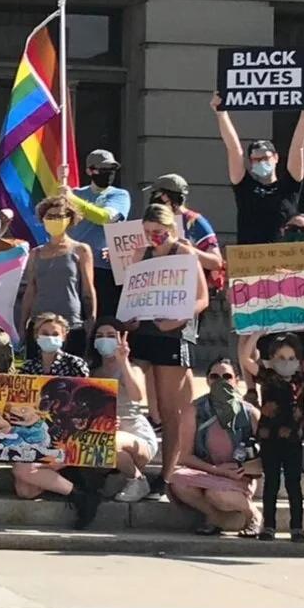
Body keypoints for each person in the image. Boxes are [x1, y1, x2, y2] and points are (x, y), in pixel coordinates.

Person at [126, 202, 210, 482]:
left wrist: (177, 319)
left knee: (167, 407)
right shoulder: (141, 253)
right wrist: (131, 317)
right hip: (143, 332)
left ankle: (166, 473)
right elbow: (132, 295)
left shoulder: (184, 253)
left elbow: (202, 298)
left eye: (159, 231)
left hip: (173, 335)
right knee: (128, 393)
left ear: (170, 228)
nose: (154, 236)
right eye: (148, 231)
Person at [7, 311, 102, 528]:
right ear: (35, 335)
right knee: (25, 491)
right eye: (44, 333)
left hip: (67, 437)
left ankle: (82, 498)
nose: (49, 337)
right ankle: (73, 488)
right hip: (35, 435)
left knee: (22, 471)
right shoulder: (28, 367)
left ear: (64, 336)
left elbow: (87, 403)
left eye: (54, 333)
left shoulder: (75, 364)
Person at [242, 330, 304, 541]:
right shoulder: (266, 377)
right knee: (271, 484)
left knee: (293, 484)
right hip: (269, 439)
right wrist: (256, 335)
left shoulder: (302, 379)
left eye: (291, 358)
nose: (286, 363)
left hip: (293, 440)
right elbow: (245, 359)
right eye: (280, 358)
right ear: (272, 359)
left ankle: (296, 527)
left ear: (299, 360)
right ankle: (269, 526)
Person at [168, 360, 262, 537]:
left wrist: (244, 469)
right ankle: (215, 517)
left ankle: (253, 515)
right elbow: (185, 456)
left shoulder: (249, 413)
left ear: (236, 380)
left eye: (226, 377)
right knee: (178, 481)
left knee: (216, 495)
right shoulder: (195, 410)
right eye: (214, 377)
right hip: (207, 471)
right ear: (207, 380)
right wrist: (217, 471)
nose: (220, 381)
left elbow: (266, 457)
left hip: (238, 475)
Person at [214, 88, 304, 245]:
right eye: (256, 159)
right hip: (250, 260)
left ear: (275, 158)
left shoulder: (289, 186)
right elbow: (234, 149)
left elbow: (298, 147)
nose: (261, 162)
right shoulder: (245, 187)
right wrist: (221, 113)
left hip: (284, 261)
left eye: (265, 157)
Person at [17, 194, 96, 358]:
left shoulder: (81, 249)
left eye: (60, 216)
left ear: (70, 218)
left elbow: (88, 288)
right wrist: (22, 324)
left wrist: (92, 319)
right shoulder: (35, 253)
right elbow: (30, 290)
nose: (55, 220)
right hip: (39, 324)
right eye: (50, 216)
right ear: (43, 219)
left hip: (71, 322)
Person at [90, 320, 158, 505]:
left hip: (136, 435)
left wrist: (123, 361)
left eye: (111, 336)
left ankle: (138, 480)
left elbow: (137, 396)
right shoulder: (92, 372)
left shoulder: (133, 368)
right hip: (106, 432)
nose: (105, 340)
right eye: (100, 336)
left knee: (110, 441)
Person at [68, 148, 132, 318]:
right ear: (90, 171)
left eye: (112, 169)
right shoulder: (75, 193)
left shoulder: (119, 195)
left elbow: (105, 217)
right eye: (103, 169)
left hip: (104, 268)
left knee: (102, 319)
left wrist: (71, 199)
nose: (109, 173)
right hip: (75, 267)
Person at [146, 173, 224, 282]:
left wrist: (189, 250)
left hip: (189, 288)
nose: (153, 199)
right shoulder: (151, 222)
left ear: (167, 196)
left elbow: (216, 262)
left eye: (156, 194)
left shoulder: (194, 222)